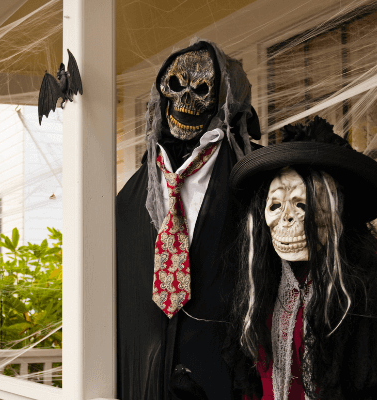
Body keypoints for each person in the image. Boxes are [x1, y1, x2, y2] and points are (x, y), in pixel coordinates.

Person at [227, 117, 377, 399]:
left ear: (336, 211)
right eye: (275, 205)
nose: (287, 217)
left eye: (303, 204)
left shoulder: (366, 283)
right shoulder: (263, 278)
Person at [116, 39, 261, 399]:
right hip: (145, 379)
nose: (184, 101)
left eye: (201, 91)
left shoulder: (254, 185)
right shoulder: (130, 198)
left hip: (220, 377)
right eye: (175, 86)